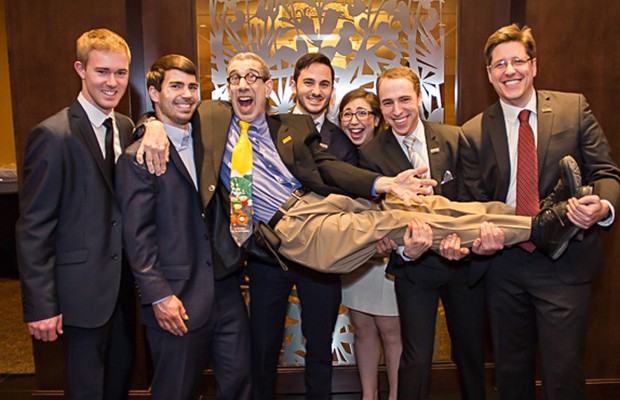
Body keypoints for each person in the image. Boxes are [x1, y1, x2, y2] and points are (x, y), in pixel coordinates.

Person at [460, 24, 620, 400]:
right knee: (510, 375)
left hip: (566, 263)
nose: (509, 70)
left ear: (534, 66)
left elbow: (606, 173)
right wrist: (480, 239)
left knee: (562, 375)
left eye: (518, 60)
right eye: (500, 64)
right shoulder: (473, 132)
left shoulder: (573, 108)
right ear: (489, 74)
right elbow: (474, 203)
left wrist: (602, 206)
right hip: (504, 267)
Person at [358, 67, 498, 399]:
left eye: (404, 99)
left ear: (420, 98)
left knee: (470, 354)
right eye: (388, 102)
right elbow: (375, 224)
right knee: (416, 358)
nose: (397, 110)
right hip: (414, 268)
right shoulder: (370, 155)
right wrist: (406, 251)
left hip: (462, 265)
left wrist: (462, 246)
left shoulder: (453, 137)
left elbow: (473, 201)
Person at [116, 54, 251, 400]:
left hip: (225, 290)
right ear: (154, 93)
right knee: (175, 391)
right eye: (176, 86)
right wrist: (159, 295)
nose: (187, 94)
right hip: (176, 298)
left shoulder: (212, 132)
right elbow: (137, 236)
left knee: (239, 384)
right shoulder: (138, 158)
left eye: (193, 87)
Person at [16, 28, 136, 399]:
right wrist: (41, 306)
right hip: (78, 296)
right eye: (102, 72)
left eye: (120, 73)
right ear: (80, 69)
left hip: (121, 290)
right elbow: (34, 227)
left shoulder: (126, 127)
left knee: (118, 383)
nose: (112, 83)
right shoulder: (53, 135)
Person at [338, 88, 403, 400]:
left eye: (362, 113)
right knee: (362, 328)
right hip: (356, 257)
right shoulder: (340, 157)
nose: (354, 120)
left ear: (377, 120)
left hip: (389, 254)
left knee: (391, 331)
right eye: (348, 113)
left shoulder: (390, 154)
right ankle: (368, 395)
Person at [291, 52, 358, 164]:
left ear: (332, 90)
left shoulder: (345, 144)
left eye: (324, 84)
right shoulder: (272, 130)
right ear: (294, 86)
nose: (316, 92)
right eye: (309, 83)